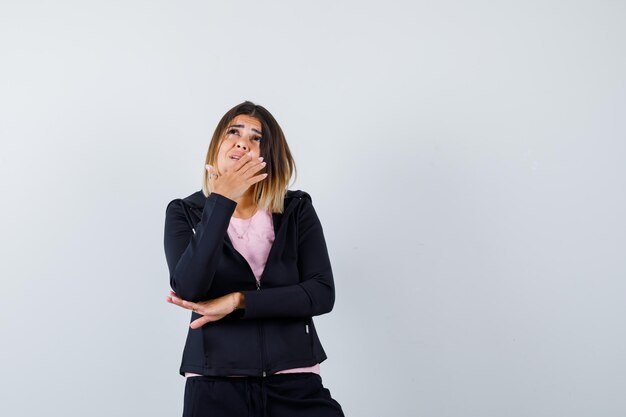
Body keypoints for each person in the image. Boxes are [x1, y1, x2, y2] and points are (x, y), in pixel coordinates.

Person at [163, 101, 345, 417]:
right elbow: (190, 288)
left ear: (267, 156)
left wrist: (239, 301)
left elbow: (321, 294)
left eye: (256, 137)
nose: (242, 141)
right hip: (215, 385)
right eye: (233, 131)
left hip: (295, 382)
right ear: (217, 144)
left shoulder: (296, 209)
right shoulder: (184, 212)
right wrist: (221, 201)